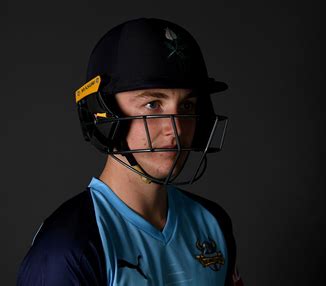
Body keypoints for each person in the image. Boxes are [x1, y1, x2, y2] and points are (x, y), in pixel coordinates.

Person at [17, 18, 243, 286]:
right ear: (104, 115)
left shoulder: (212, 223)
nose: (177, 129)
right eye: (153, 104)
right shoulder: (69, 248)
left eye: (187, 106)